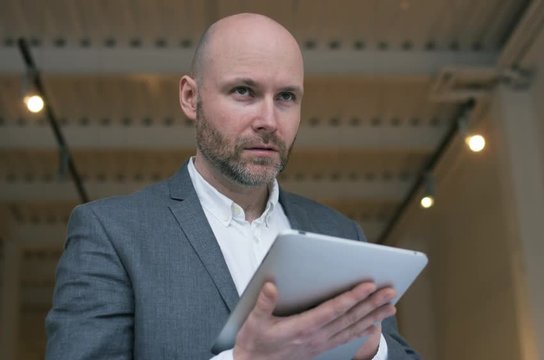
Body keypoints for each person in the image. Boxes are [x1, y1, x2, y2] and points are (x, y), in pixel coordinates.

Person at [45, 13, 420, 360]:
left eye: (286, 97)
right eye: (244, 91)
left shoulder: (342, 233)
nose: (269, 120)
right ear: (191, 98)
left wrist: (371, 351)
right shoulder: (112, 232)